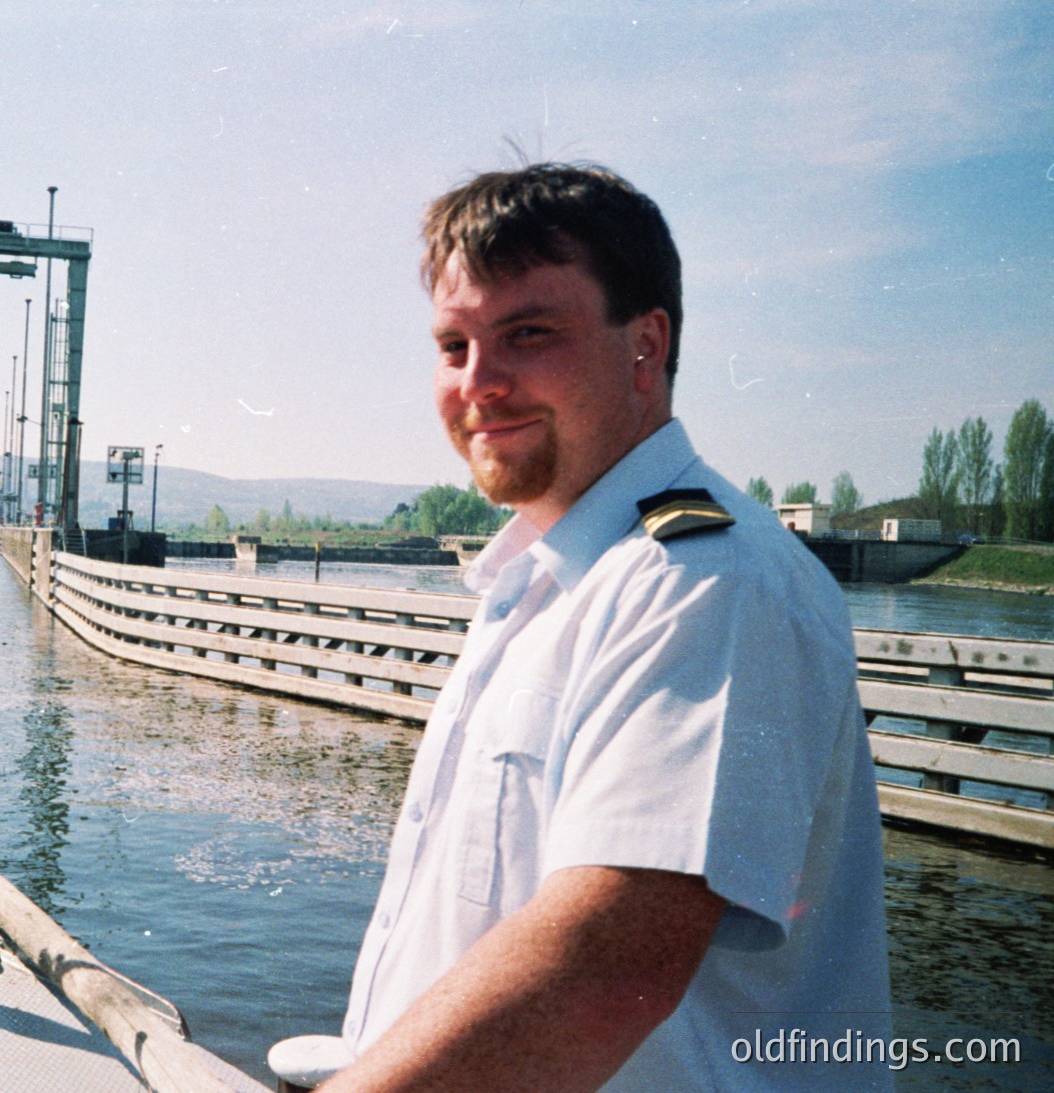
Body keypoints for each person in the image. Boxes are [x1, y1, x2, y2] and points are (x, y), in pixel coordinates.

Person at [320, 165, 893, 1091]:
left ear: (645, 344)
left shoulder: (705, 581)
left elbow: (603, 970)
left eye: (528, 334)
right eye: (453, 345)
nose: (480, 384)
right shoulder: (547, 581)